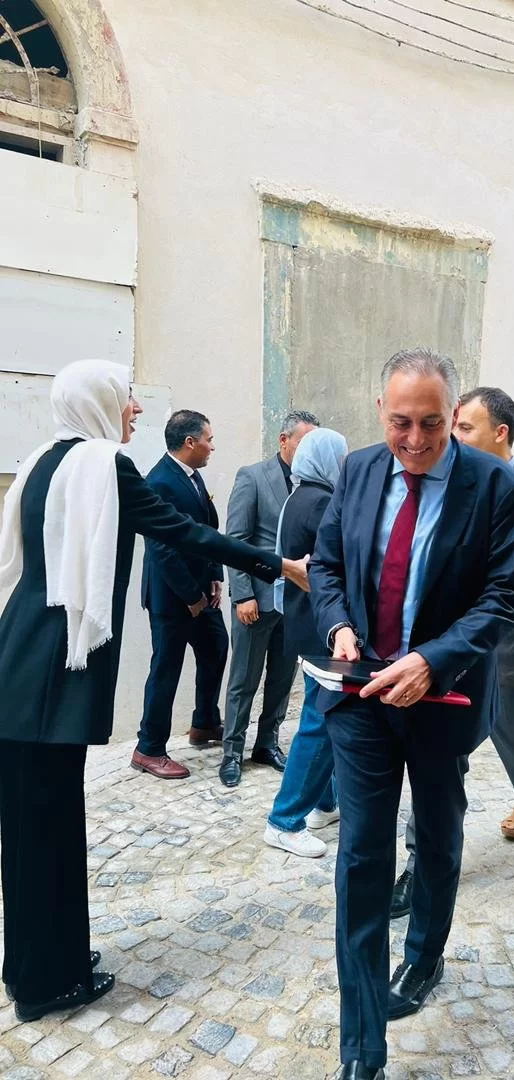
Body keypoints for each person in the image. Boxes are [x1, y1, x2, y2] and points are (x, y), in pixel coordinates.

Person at [0, 360, 308, 1023]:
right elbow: (183, 532)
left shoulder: (43, 464)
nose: (135, 408)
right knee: (48, 826)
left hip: (19, 653)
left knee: (26, 828)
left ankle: (33, 966)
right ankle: (49, 983)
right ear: (96, 401)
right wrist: (278, 565)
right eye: (126, 396)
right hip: (54, 666)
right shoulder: (103, 466)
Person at [308, 348, 514, 1080]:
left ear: (453, 413)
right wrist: (339, 624)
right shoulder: (358, 470)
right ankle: (362, 1049)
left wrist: (434, 659)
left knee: (435, 837)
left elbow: (505, 594)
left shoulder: (497, 486)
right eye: (400, 422)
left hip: (444, 699)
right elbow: (327, 564)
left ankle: (425, 956)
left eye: (432, 424)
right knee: (361, 854)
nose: (414, 439)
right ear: (381, 411)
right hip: (362, 698)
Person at [392, 387, 514, 915]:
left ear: (500, 432)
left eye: (465, 427)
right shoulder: (447, 488)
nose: (453, 436)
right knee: (437, 763)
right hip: (450, 661)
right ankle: (419, 863)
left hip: (512, 663)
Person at [219, 410, 320, 788]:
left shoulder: (312, 483)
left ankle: (267, 743)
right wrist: (242, 594)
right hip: (256, 600)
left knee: (281, 679)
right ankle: (232, 751)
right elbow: (236, 540)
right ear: (284, 440)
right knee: (243, 679)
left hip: (293, 603)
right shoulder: (253, 477)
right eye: (303, 442)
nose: (308, 450)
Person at [263, 427, 348, 856]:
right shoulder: (321, 501)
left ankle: (324, 803)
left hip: (304, 623)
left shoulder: (299, 495)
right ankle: (284, 820)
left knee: (325, 716)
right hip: (322, 627)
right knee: (318, 721)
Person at [133, 410, 231, 779]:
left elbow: (206, 530)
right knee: (166, 669)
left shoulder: (192, 475)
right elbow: (161, 549)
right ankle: (148, 748)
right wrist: (191, 596)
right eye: (209, 439)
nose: (212, 446)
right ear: (190, 442)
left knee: (216, 648)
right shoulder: (159, 482)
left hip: (202, 591)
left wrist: (215, 575)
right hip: (172, 598)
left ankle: (204, 722)